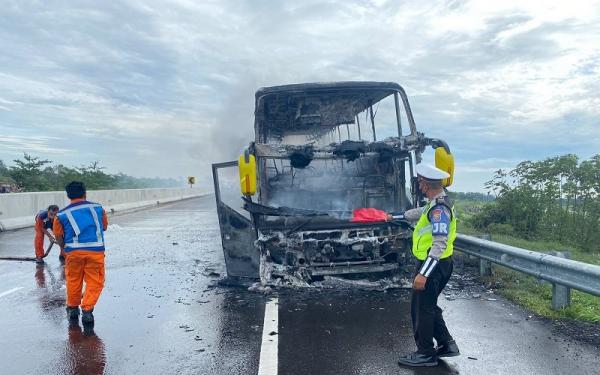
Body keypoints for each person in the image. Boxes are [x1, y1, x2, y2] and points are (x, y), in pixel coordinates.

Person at [397, 164, 460, 367]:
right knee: (429, 306)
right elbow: (421, 213)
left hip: (433, 265)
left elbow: (439, 244)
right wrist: (395, 216)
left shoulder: (439, 209)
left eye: (419, 182)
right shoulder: (436, 203)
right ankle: (447, 344)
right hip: (439, 264)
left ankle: (425, 353)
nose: (418, 185)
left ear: (425, 184)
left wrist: (423, 274)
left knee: (421, 309)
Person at [53, 181, 108, 324]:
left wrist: (65, 248)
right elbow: (105, 227)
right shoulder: (98, 208)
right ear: (85, 193)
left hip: (73, 254)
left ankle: (72, 308)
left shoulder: (61, 215)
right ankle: (87, 310)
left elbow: (58, 235)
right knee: (95, 281)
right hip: (95, 252)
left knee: (73, 280)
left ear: (68, 195)